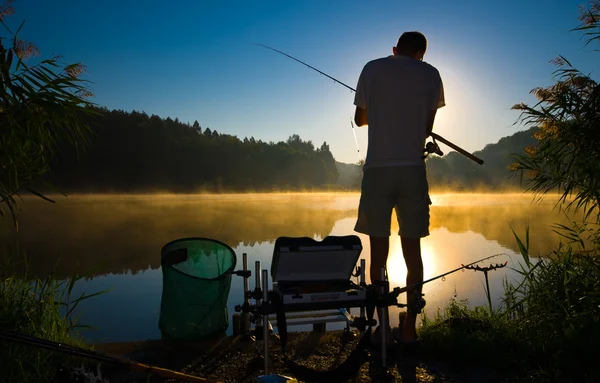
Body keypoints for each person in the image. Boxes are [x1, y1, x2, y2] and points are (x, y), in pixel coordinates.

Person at [353, 31, 445, 346]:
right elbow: (426, 128)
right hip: (412, 171)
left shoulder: (371, 67)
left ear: (395, 48)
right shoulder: (431, 74)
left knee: (378, 255)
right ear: (421, 52)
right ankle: (409, 330)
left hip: (378, 171)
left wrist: (381, 108)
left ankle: (383, 327)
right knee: (413, 253)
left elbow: (359, 119)